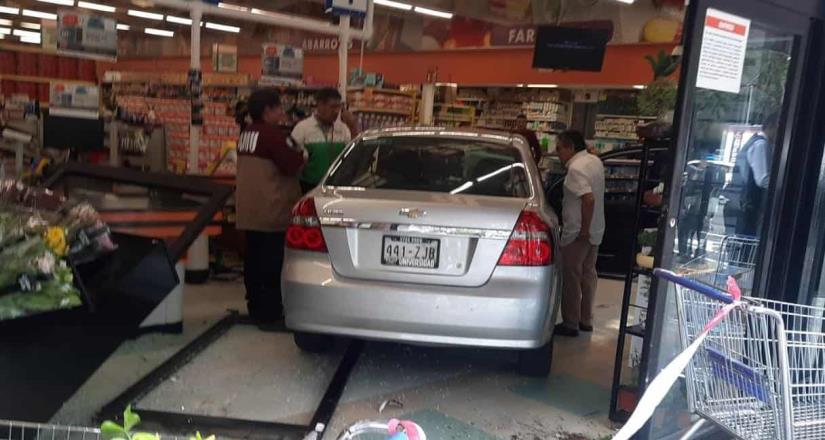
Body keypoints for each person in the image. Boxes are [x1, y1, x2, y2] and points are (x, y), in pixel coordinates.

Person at [235, 88, 306, 322]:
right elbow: (291, 165)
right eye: (278, 107)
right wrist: (303, 155)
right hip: (272, 210)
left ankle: (255, 306)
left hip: (249, 210)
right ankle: (271, 312)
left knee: (253, 261)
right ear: (267, 111)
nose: (281, 112)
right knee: (272, 263)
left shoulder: (246, 133)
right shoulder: (273, 136)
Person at [554, 130, 605, 337]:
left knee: (571, 277)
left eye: (559, 149)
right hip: (596, 229)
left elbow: (588, 199)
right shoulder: (595, 161)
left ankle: (571, 323)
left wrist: (582, 230)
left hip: (577, 233)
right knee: (588, 274)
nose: (557, 154)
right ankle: (586, 320)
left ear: (570, 147)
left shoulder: (575, 169)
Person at [723, 114, 777, 238]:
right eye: (778, 127)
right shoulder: (761, 145)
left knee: (739, 247)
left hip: (740, 203)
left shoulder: (754, 142)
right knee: (746, 246)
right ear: (770, 127)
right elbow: (763, 179)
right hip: (749, 206)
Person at [292, 87, 352, 194]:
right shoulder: (302, 128)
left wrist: (353, 125)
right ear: (320, 105)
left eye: (339, 107)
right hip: (308, 187)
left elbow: (353, 157)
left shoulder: (343, 129)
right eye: (333, 107)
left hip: (337, 188)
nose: (336, 111)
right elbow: (293, 162)